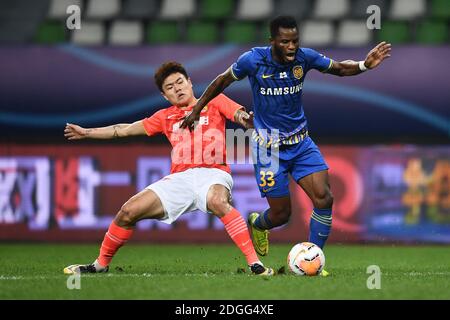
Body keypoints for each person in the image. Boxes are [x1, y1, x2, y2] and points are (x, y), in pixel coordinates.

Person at [181, 16, 392, 276]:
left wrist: (364, 65)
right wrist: (196, 109)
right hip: (268, 149)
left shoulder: (306, 58)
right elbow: (221, 81)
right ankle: (259, 223)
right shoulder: (253, 60)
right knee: (282, 215)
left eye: (295, 41)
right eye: (285, 42)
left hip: (301, 143)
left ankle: (313, 259)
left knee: (324, 198)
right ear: (272, 42)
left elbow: (339, 68)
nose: (291, 47)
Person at [63, 61, 274, 276]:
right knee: (128, 212)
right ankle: (100, 264)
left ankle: (254, 264)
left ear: (190, 83)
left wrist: (246, 120)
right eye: (170, 87)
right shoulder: (164, 117)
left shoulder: (215, 100)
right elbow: (123, 130)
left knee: (217, 200)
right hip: (180, 179)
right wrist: (87, 133)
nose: (177, 88)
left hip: (214, 173)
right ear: (165, 96)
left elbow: (239, 115)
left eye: (180, 82)